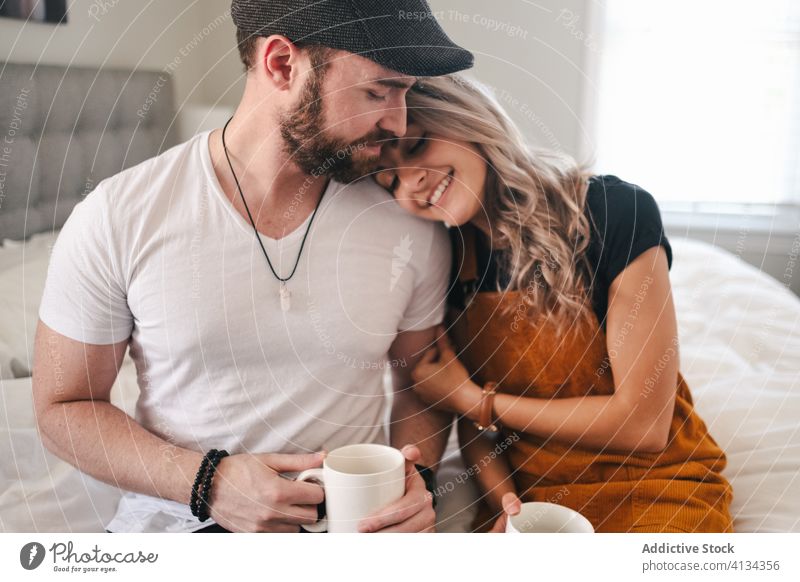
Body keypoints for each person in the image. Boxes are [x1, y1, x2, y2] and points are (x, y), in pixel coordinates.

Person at [32, 0, 473, 533]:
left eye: (405, 92)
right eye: (378, 91)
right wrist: (207, 482)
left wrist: (417, 479)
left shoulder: (408, 223)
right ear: (282, 64)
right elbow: (64, 407)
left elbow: (417, 385)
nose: (397, 121)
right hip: (181, 529)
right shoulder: (118, 216)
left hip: (352, 531)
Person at [374, 74, 734, 533]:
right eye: (390, 183)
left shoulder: (614, 210)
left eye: (418, 144)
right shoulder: (446, 259)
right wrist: (505, 504)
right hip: (532, 503)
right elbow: (475, 431)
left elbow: (644, 423)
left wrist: (473, 400)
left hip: (656, 486)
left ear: (469, 119)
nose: (413, 182)